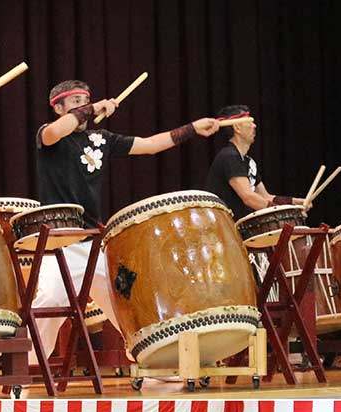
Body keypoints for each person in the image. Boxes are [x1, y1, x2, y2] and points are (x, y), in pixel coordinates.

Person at [29, 79, 219, 351]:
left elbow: (150, 145)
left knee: (128, 301)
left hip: (95, 242)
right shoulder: (48, 136)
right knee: (49, 303)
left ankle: (151, 358)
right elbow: (55, 132)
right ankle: (28, 370)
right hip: (60, 243)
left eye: (86, 100)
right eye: (76, 102)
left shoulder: (101, 139)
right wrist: (94, 107)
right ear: (58, 108)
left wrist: (191, 129)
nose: (84, 106)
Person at [205, 105, 309, 220]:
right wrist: (286, 215)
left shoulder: (248, 161)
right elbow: (249, 197)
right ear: (237, 127)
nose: (254, 126)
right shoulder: (229, 157)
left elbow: (265, 196)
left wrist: (295, 203)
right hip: (226, 230)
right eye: (250, 122)